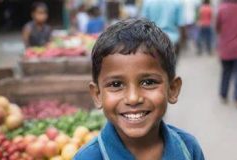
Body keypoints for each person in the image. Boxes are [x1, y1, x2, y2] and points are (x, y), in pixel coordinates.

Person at [73, 19, 205, 160]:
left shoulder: (188, 148)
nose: (133, 98)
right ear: (97, 95)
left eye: (148, 82)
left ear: (172, 89)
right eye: (116, 84)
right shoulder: (88, 157)